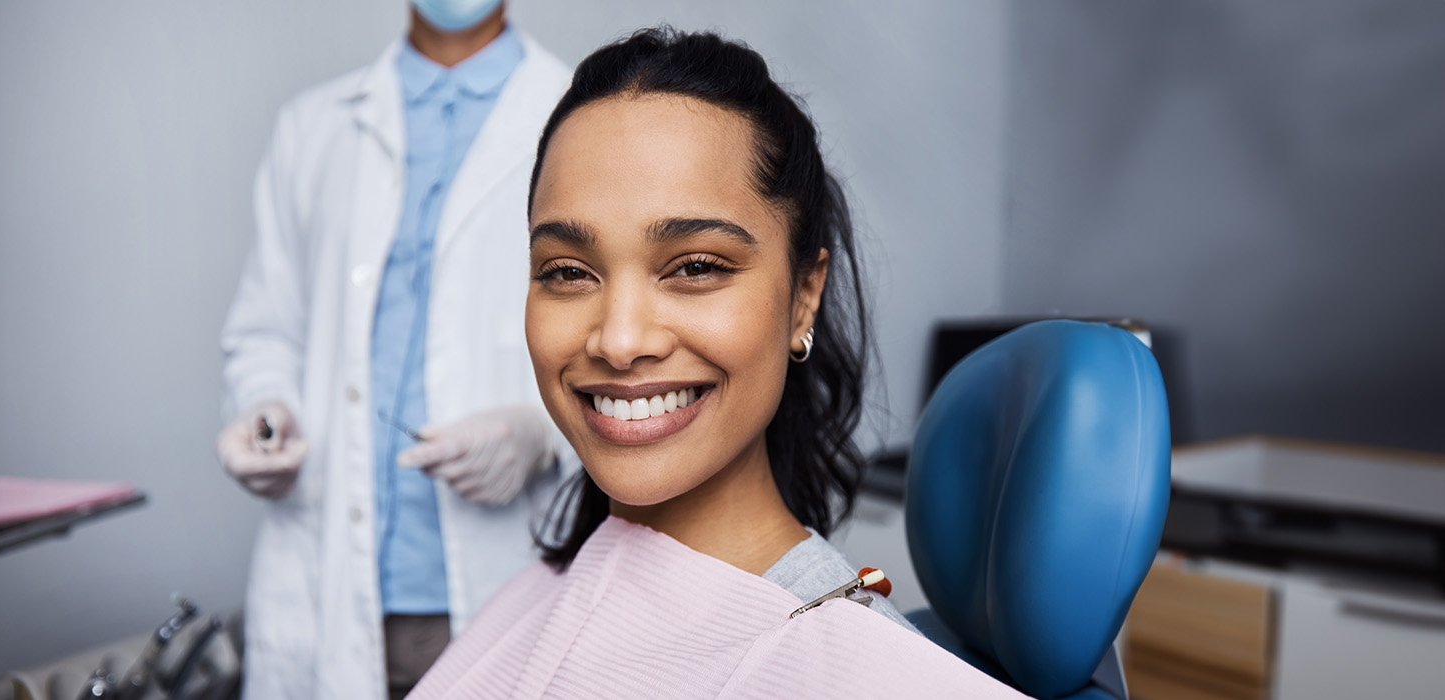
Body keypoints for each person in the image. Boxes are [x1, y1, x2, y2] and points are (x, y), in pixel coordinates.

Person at [406, 28, 1025, 698]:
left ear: (802, 297)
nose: (618, 340)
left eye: (696, 267)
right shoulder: (535, 596)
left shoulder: (859, 668)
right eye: (568, 272)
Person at [215, 2, 573, 699]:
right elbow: (265, 329)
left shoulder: (577, 118)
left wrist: (542, 433)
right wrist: (268, 409)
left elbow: (620, 337)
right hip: (326, 585)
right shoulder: (314, 127)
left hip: (495, 586)